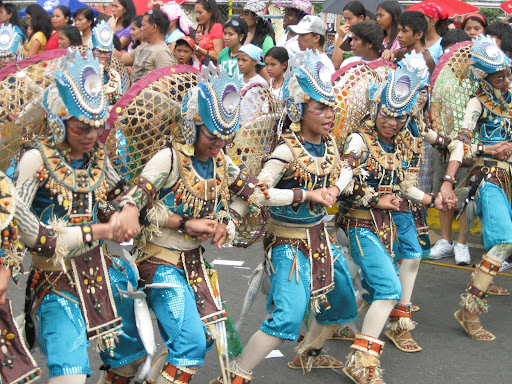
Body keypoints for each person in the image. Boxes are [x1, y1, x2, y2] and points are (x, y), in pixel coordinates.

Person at [211, 49, 358, 384]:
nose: (328, 114)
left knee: (338, 300)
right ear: (298, 111)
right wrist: (305, 194)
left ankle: (308, 354)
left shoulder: (331, 145)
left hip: (320, 239)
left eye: (330, 107)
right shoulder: (285, 150)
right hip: (288, 246)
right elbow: (258, 193)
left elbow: (345, 170)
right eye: (319, 108)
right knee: (287, 318)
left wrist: (335, 187)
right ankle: (235, 375)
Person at [114, 65, 259, 384]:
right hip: (159, 263)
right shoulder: (169, 159)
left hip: (194, 265)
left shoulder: (221, 160)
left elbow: (252, 193)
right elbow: (134, 201)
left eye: (225, 135)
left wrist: (227, 221)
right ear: (192, 125)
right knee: (190, 345)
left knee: (202, 338)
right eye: (212, 133)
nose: (219, 142)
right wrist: (183, 223)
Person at [14, 50, 144, 384]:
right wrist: (100, 229)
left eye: (97, 128)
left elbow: (122, 193)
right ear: (59, 121)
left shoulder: (96, 157)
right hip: (56, 282)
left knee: (130, 362)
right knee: (69, 376)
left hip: (103, 277)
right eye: (82, 127)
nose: (91, 136)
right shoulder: (35, 159)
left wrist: (129, 208)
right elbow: (29, 231)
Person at [337, 55, 442, 384]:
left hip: (388, 224)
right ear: (375, 108)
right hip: (360, 223)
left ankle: (317, 341)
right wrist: (375, 198)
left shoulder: (402, 142)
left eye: (399, 116)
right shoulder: (359, 140)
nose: (392, 122)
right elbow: (342, 183)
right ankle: (362, 360)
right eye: (386, 114)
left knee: (382, 284)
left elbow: (406, 185)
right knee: (386, 288)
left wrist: (428, 198)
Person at [440, 36, 512, 341]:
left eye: (508, 73)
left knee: (500, 240)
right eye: (499, 76)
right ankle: (469, 309)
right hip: (490, 177)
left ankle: (487, 276)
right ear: (483, 77)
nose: (506, 80)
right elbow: (461, 144)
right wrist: (490, 149)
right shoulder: (476, 103)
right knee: (505, 241)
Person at [115, 9, 176, 83]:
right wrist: (105, 41)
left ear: (154, 27)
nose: (141, 29)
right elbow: (121, 59)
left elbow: (165, 85)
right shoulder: (143, 46)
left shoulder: (162, 52)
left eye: (143, 25)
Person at [383, 11, 435, 76]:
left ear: (419, 34)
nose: (399, 35)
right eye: (398, 30)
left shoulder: (427, 61)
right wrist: (387, 52)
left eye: (404, 31)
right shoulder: (402, 53)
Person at [331, 1, 367, 69]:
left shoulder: (368, 36)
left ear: (361, 18)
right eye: (345, 18)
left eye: (349, 19)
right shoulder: (341, 35)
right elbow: (335, 65)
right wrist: (340, 37)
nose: (346, 22)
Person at [194, 0, 223, 64]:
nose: (197, 16)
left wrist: (197, 48)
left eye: (200, 12)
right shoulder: (204, 29)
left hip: (214, 71)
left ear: (210, 12)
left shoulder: (217, 27)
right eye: (196, 13)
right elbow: (202, 55)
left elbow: (218, 56)